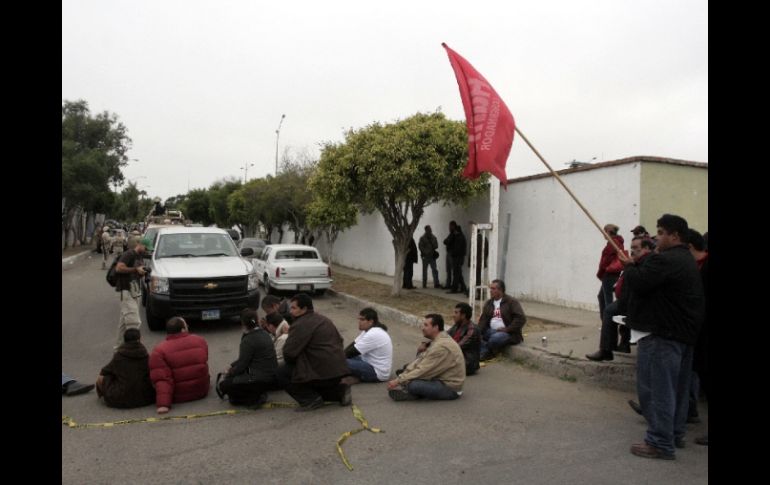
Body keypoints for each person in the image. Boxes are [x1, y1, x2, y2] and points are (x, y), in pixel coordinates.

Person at [620, 214, 704, 460]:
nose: (656, 237)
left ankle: (659, 442)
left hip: (664, 335)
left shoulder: (666, 260)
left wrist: (628, 267)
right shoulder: (685, 259)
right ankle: (674, 434)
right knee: (677, 389)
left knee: (661, 391)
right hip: (683, 334)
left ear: (674, 236)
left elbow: (641, 283)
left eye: (660, 232)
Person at [586, 236, 654, 361]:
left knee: (610, 311)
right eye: (631, 247)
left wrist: (629, 267)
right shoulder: (635, 262)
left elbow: (638, 282)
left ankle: (610, 348)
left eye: (636, 248)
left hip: (635, 304)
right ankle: (610, 347)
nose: (632, 251)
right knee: (609, 310)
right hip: (627, 300)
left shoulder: (647, 262)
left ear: (646, 249)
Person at [281, 293, 352, 411]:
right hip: (339, 369)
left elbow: (289, 353)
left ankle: (310, 400)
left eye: (293, 308)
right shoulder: (324, 319)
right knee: (310, 379)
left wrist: (298, 363)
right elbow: (340, 340)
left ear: (304, 309)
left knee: (281, 372)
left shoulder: (300, 324)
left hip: (322, 371)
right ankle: (339, 392)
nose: (290, 311)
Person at [387, 314, 465, 401]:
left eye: (426, 325)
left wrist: (398, 381)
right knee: (407, 370)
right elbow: (421, 360)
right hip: (439, 377)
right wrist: (404, 375)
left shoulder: (440, 347)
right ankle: (416, 392)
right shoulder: (440, 339)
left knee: (413, 384)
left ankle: (413, 393)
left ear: (436, 327)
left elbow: (423, 370)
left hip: (450, 388)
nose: (422, 328)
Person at [217, 308, 278, 407]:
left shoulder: (248, 340)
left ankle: (254, 398)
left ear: (243, 324)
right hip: (271, 376)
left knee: (224, 385)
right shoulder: (265, 334)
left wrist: (229, 372)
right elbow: (246, 359)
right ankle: (256, 393)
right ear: (257, 320)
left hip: (258, 378)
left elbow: (242, 365)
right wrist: (232, 365)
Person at [149, 317, 210, 414]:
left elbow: (162, 379)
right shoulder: (200, 341)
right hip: (201, 391)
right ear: (182, 330)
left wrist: (163, 405)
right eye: (186, 325)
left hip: (178, 397)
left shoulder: (159, 351)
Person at [96, 328, 155, 408]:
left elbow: (104, 371)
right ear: (140, 339)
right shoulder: (145, 355)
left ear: (125, 340)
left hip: (121, 399)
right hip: (145, 398)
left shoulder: (119, 356)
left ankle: (104, 397)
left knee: (101, 378)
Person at [113, 237, 151, 349]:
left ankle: (119, 349)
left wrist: (142, 271)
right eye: (145, 248)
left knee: (124, 324)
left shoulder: (139, 256)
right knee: (134, 322)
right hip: (126, 290)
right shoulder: (129, 254)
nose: (146, 250)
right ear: (139, 244)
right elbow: (119, 268)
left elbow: (137, 270)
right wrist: (135, 270)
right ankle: (131, 350)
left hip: (135, 291)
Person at [477, 280, 527, 360]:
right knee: (475, 335)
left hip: (509, 333)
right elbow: (483, 319)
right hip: (491, 331)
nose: (490, 291)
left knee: (495, 339)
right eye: (490, 288)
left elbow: (521, 318)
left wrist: (507, 329)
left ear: (500, 290)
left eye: (493, 289)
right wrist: (477, 332)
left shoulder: (511, 302)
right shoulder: (489, 303)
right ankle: (487, 350)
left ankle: (486, 352)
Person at [343, 308, 393, 384]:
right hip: (367, 362)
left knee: (340, 361)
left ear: (371, 321)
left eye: (362, 320)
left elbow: (352, 352)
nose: (359, 322)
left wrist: (336, 359)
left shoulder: (374, 333)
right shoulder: (368, 330)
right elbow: (352, 346)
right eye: (359, 319)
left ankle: (359, 377)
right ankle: (355, 376)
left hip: (377, 372)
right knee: (339, 359)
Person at [596, 224, 624, 326]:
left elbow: (607, 259)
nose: (603, 233)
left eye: (604, 231)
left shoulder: (614, 242)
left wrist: (604, 268)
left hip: (610, 274)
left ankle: (608, 324)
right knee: (601, 296)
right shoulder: (615, 242)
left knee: (608, 300)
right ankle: (605, 322)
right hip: (609, 275)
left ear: (608, 231)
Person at [446, 303, 481, 376]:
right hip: (455, 358)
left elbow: (457, 347)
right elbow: (444, 336)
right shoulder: (457, 325)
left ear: (463, 315)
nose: (453, 315)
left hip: (466, 363)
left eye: (456, 313)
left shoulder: (472, 330)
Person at [447, 222, 468, 294]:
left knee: (456, 273)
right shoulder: (458, 237)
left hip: (458, 257)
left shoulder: (459, 237)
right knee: (458, 273)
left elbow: (458, 249)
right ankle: (463, 288)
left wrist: (452, 253)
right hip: (458, 257)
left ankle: (454, 289)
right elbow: (446, 241)